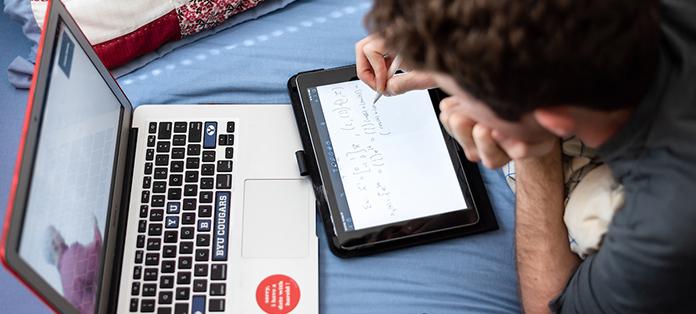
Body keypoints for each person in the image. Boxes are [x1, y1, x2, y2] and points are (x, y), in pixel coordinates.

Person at [355, 0, 696, 313]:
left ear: (553, 119)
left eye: (456, 93)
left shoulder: (663, 227)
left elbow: (548, 308)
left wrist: (532, 151)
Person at [45, 219, 102, 314]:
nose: (59, 232)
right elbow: (97, 256)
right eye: (55, 232)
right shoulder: (71, 257)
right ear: (54, 244)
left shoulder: (64, 285)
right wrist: (95, 225)